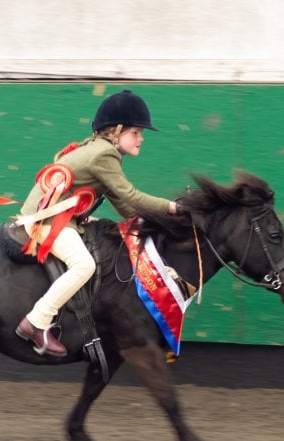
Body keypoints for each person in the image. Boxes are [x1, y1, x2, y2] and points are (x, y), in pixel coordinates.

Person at [15, 90, 179, 357]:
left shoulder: (102, 152)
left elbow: (125, 205)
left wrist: (156, 222)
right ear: (116, 130)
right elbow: (131, 196)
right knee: (84, 265)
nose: (141, 138)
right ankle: (36, 322)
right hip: (47, 220)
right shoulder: (105, 155)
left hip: (59, 217)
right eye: (135, 132)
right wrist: (172, 208)